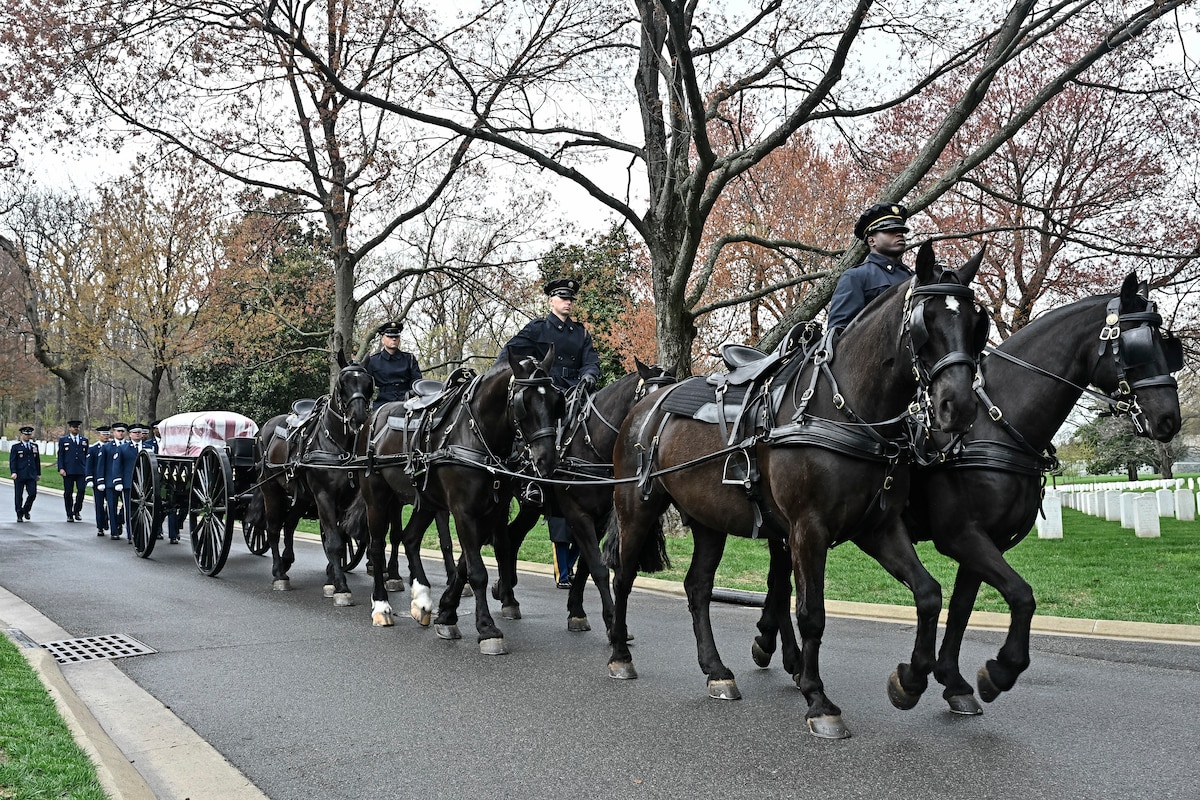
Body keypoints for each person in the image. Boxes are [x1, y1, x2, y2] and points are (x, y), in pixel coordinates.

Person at [499, 277, 602, 588]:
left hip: (576, 393)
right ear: (550, 301)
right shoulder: (537, 329)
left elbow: (592, 362)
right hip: (546, 393)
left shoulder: (581, 332)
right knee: (543, 431)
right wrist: (532, 375)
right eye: (561, 297)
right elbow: (511, 354)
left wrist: (588, 377)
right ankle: (533, 480)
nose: (567, 302)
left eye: (570, 298)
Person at [827, 202, 914, 331]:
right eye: (890, 231)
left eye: (901, 231)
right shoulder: (856, 276)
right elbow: (839, 333)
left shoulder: (913, 277)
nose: (899, 234)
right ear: (872, 241)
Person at [363, 320, 422, 410]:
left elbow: (417, 382)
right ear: (383, 339)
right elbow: (366, 386)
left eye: (396, 337)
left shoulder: (409, 359)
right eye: (390, 337)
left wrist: (412, 394)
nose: (394, 339)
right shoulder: (372, 361)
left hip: (407, 401)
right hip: (382, 402)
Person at [103, 422, 136, 540]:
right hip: (111, 482)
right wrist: (101, 481)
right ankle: (114, 531)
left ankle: (122, 523)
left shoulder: (129, 446)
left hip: (126, 482)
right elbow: (102, 465)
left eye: (122, 431)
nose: (120, 433)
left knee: (127, 508)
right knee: (112, 507)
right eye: (118, 431)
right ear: (114, 432)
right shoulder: (106, 447)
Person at [57, 419, 89, 523]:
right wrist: (61, 468)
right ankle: (69, 513)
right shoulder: (63, 440)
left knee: (81, 490)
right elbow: (60, 455)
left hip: (81, 470)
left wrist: (87, 469)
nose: (76, 428)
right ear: (70, 428)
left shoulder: (84, 440)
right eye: (74, 427)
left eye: (77, 427)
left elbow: (87, 456)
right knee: (68, 493)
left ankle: (77, 510)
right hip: (68, 470)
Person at [9, 425, 41, 522]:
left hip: (31, 474)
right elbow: (13, 461)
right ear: (21, 435)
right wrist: (13, 472)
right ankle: (19, 513)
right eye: (25, 434)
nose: (27, 436)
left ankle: (26, 509)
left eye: (29, 434)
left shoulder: (34, 446)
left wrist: (38, 473)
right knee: (19, 495)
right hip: (20, 474)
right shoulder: (16, 447)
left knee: (33, 493)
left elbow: (37, 461)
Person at [86, 425, 112, 536]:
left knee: (111, 504)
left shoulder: (113, 447)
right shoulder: (93, 449)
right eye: (104, 434)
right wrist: (89, 478)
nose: (106, 436)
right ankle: (100, 526)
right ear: (99, 435)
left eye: (107, 434)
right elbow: (89, 465)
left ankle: (106, 518)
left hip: (110, 480)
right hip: (97, 481)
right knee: (99, 504)